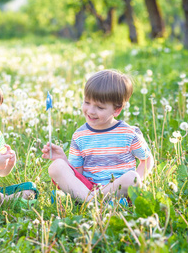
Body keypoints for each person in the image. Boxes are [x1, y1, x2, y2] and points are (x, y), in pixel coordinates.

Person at [42, 69, 153, 203]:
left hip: (118, 189)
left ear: (117, 110)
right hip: (88, 189)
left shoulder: (129, 133)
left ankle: (89, 202)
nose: (91, 111)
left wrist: (137, 182)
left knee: (132, 177)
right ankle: (92, 201)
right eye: (87, 102)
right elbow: (78, 174)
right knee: (56, 166)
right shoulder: (80, 136)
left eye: (99, 107)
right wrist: (64, 160)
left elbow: (146, 160)